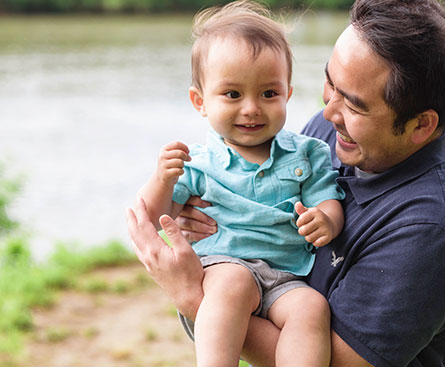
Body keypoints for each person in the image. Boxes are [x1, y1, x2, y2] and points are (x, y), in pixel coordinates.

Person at [127, 0, 445, 366]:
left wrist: (192, 298)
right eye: (331, 84)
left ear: (420, 125)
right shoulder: (338, 130)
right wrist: (190, 207)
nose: (328, 112)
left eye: (355, 105)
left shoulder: (428, 230)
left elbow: (341, 363)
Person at [134, 2, 345, 366]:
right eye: (233, 95)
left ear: (287, 94)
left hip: (287, 274)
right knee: (234, 285)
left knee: (312, 307)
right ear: (200, 101)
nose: (251, 108)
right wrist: (161, 180)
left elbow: (327, 200)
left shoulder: (307, 152)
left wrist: (326, 220)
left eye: (268, 94)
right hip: (223, 265)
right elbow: (152, 217)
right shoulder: (197, 164)